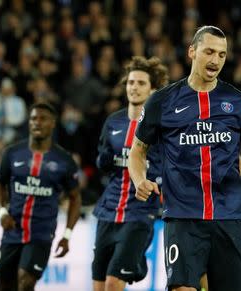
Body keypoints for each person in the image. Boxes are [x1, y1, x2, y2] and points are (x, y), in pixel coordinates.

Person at [128, 26, 241, 291]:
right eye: (209, 52)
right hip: (183, 216)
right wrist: (139, 179)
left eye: (221, 55)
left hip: (229, 215)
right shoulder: (161, 102)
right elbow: (138, 151)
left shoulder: (238, 102)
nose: (215, 60)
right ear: (192, 52)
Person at [92, 56, 169, 291]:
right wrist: (102, 161)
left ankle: (135, 261)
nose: (134, 87)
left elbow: (170, 164)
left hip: (140, 213)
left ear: (153, 89)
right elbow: (102, 163)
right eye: (131, 82)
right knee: (98, 285)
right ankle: (136, 263)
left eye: (141, 83)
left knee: (114, 283)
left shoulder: (161, 126)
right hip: (108, 211)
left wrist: (156, 180)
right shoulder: (113, 122)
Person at [0, 102, 82, 291]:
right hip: (12, 231)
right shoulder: (12, 153)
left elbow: (75, 197)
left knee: (25, 281)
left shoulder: (64, 160)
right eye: (33, 118)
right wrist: (2, 211)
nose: (37, 123)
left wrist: (67, 235)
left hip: (41, 234)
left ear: (53, 123)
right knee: (5, 283)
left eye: (43, 119)